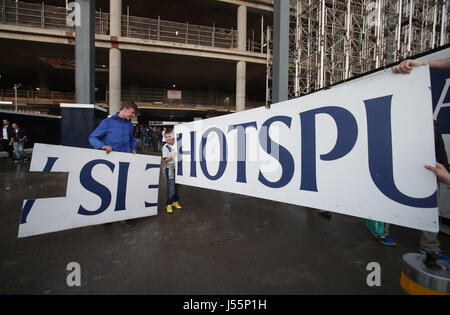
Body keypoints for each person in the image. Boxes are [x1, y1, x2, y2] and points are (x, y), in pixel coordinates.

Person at [392, 57, 450, 262]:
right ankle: (381, 230)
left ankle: (429, 247)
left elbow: (439, 148)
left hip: (432, 171)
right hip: (403, 170)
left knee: (428, 209)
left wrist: (446, 173)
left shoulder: (432, 124)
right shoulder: (399, 122)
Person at [88, 100, 138, 226]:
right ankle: (107, 216)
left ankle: (124, 216)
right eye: (131, 113)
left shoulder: (129, 125)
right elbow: (92, 137)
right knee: (109, 189)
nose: (132, 116)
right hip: (109, 163)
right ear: (125, 109)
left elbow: (130, 139)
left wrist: (132, 148)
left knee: (124, 189)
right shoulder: (107, 122)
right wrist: (102, 146)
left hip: (125, 162)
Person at [162, 129, 182, 214]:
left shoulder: (178, 144)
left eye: (169, 136)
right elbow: (165, 160)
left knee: (178, 187)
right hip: (170, 168)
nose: (168, 138)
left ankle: (175, 201)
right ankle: (169, 204)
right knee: (171, 188)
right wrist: (172, 156)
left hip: (179, 167)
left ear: (173, 136)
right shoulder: (165, 147)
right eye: (166, 137)